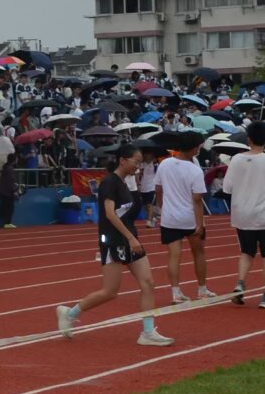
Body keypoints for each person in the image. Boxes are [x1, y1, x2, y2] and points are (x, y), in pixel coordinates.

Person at [58, 146, 168, 345]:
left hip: (130, 238)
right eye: (135, 161)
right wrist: (130, 238)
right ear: (122, 160)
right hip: (114, 240)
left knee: (148, 283)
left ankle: (148, 332)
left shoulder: (126, 183)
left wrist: (132, 236)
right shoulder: (109, 182)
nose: (138, 166)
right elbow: (110, 214)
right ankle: (70, 313)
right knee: (110, 291)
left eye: (140, 162)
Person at [222, 125, 265, 310]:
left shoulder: (236, 159)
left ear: (249, 139)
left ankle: (240, 283)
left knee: (246, 252)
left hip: (242, 215)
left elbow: (227, 188)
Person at [151, 141, 211, 305]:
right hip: (189, 217)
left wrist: (163, 207)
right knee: (198, 253)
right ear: (193, 148)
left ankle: (176, 293)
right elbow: (197, 199)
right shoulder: (195, 170)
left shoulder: (164, 164)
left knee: (174, 256)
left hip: (170, 217)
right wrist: (200, 223)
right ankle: (202, 289)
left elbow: (158, 189)